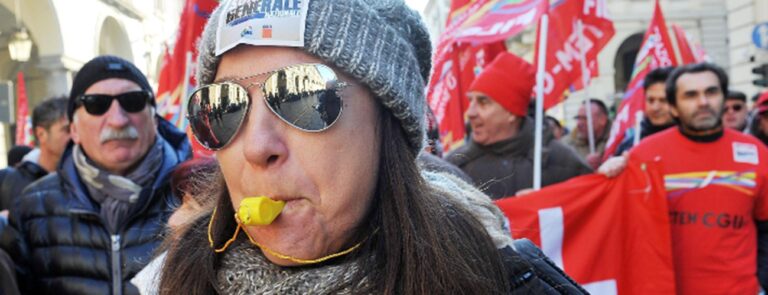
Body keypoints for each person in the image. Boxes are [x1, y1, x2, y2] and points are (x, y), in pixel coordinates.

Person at [158, 1, 585, 294]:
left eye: (303, 94)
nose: (256, 147)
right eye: (223, 105)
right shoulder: (178, 278)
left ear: (389, 124)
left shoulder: (507, 281)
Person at [0, 55, 192, 294]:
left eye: (132, 101)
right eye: (96, 104)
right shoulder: (32, 207)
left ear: (154, 119)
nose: (118, 120)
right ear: (74, 130)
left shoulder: (199, 198)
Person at [599, 63, 768, 294]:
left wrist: (763, 281)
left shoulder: (757, 153)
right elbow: (616, 226)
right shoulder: (643, 155)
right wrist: (605, 180)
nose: (703, 102)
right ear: (674, 107)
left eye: (711, 92)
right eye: (691, 95)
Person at [446, 52, 591, 199]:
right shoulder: (453, 167)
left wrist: (552, 202)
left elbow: (596, 207)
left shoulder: (561, 160)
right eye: (471, 101)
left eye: (483, 102)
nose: (470, 113)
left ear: (511, 113)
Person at [0, 98, 70, 212]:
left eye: (76, 128)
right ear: (41, 134)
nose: (74, 136)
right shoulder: (8, 182)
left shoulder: (88, 181)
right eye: (66, 130)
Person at [614, 67, 675, 155]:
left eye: (663, 100)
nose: (655, 107)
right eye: (650, 100)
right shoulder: (630, 145)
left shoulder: (693, 139)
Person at [563, 99, 612, 169]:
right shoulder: (566, 144)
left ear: (602, 120)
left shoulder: (617, 140)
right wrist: (584, 166)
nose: (579, 123)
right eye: (578, 118)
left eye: (585, 118)